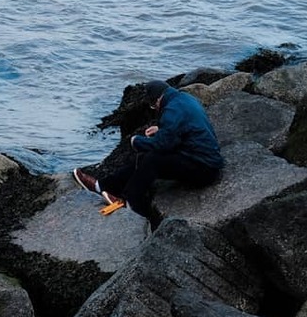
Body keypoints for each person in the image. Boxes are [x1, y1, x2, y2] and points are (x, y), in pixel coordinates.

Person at [74, 79, 224, 217]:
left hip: (204, 168)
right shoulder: (184, 99)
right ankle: (102, 186)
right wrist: (160, 128)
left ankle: (131, 202)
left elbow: (162, 145)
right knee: (146, 158)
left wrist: (137, 142)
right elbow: (184, 127)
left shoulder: (172, 110)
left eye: (154, 106)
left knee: (153, 159)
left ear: (158, 99)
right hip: (199, 158)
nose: (155, 108)